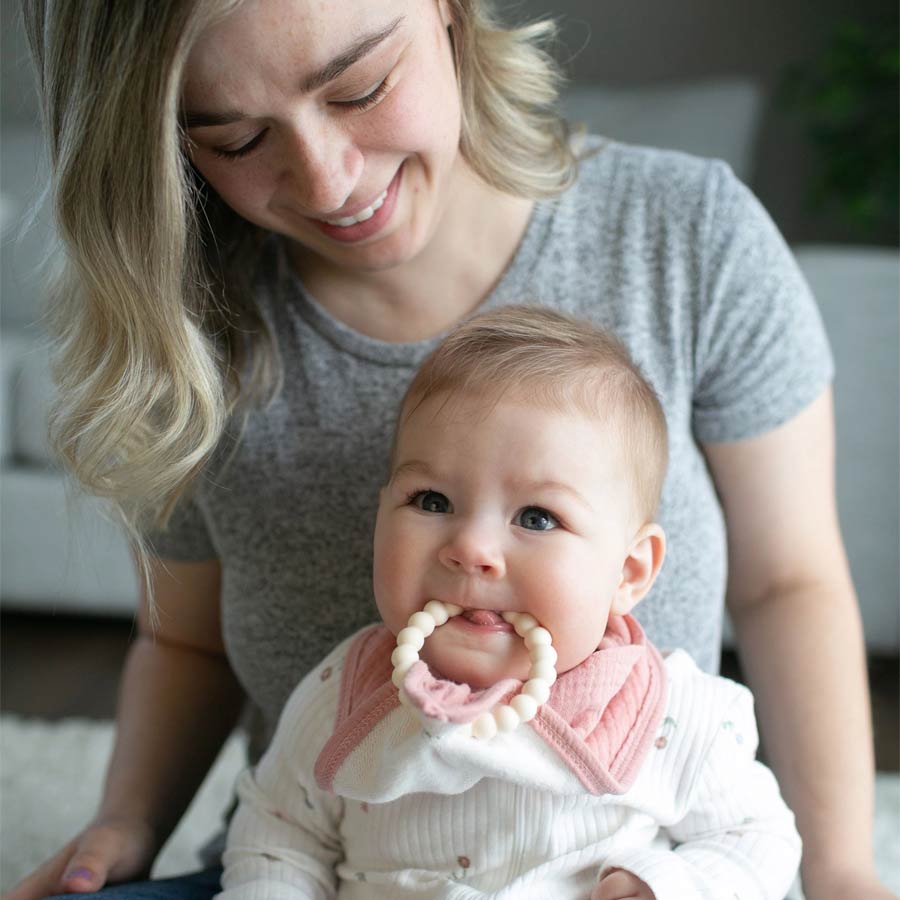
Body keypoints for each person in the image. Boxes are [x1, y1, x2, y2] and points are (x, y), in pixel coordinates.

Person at [7, 1, 887, 899]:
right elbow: (185, 639)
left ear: (448, 11)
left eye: (360, 88)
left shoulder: (687, 235)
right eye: (236, 139)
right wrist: (129, 820)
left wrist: (843, 869)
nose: (327, 181)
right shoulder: (193, 334)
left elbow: (788, 586)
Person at [218, 306, 804, 900]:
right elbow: (279, 833)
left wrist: (666, 887)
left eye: (537, 517)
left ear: (627, 572)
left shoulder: (664, 713)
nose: (472, 549)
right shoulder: (346, 694)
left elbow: (756, 835)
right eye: (432, 501)